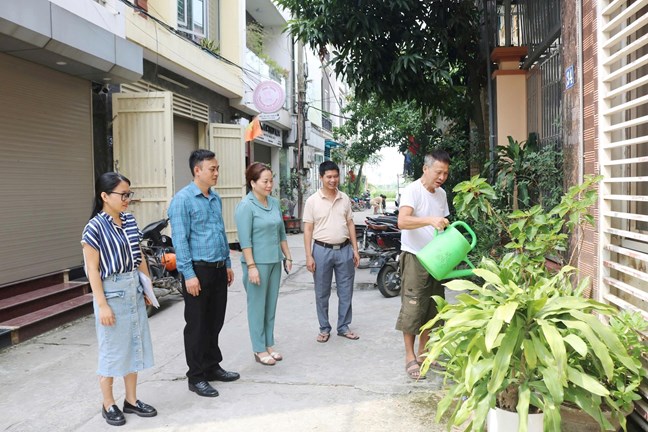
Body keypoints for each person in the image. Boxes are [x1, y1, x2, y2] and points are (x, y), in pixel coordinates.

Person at [81, 172, 157, 426]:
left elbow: (139, 256)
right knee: (112, 350)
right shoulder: (94, 228)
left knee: (134, 345)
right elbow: (92, 270)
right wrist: (102, 304)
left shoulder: (129, 220)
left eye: (128, 194)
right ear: (104, 196)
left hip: (133, 287)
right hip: (111, 293)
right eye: (123, 195)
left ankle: (131, 401)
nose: (127, 199)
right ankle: (108, 403)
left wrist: (147, 288)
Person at [168, 149, 239, 398]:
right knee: (197, 325)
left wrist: (227, 263)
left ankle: (211, 366)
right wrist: (188, 275)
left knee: (215, 321)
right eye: (212, 169)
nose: (216, 173)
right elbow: (180, 241)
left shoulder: (215, 197)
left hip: (218, 269)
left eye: (217, 168)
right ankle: (196, 376)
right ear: (197, 170)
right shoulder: (182, 200)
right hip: (198, 271)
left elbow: (220, 232)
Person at [395, 150, 451, 380]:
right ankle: (410, 357)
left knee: (432, 307)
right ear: (425, 169)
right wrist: (430, 220)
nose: (442, 177)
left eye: (445, 173)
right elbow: (402, 221)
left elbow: (442, 225)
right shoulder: (412, 191)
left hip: (436, 258)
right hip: (415, 257)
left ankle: (424, 353)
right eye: (438, 172)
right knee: (413, 307)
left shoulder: (442, 194)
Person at [235, 163, 293, 366]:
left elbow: (281, 233)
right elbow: (245, 240)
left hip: (274, 260)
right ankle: (259, 348)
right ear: (253, 183)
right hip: (256, 264)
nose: (269, 185)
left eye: (271, 181)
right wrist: (251, 266)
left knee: (270, 306)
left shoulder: (274, 203)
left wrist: (287, 256)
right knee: (257, 307)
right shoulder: (246, 206)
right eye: (265, 181)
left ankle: (269, 344)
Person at [303, 160, 361, 343]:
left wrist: (355, 249)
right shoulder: (312, 201)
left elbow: (350, 223)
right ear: (321, 177)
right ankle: (324, 328)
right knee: (322, 292)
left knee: (346, 290)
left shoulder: (344, 198)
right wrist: (308, 256)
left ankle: (343, 326)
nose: (333, 180)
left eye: (336, 176)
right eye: (329, 176)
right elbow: (308, 229)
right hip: (321, 250)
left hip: (344, 249)